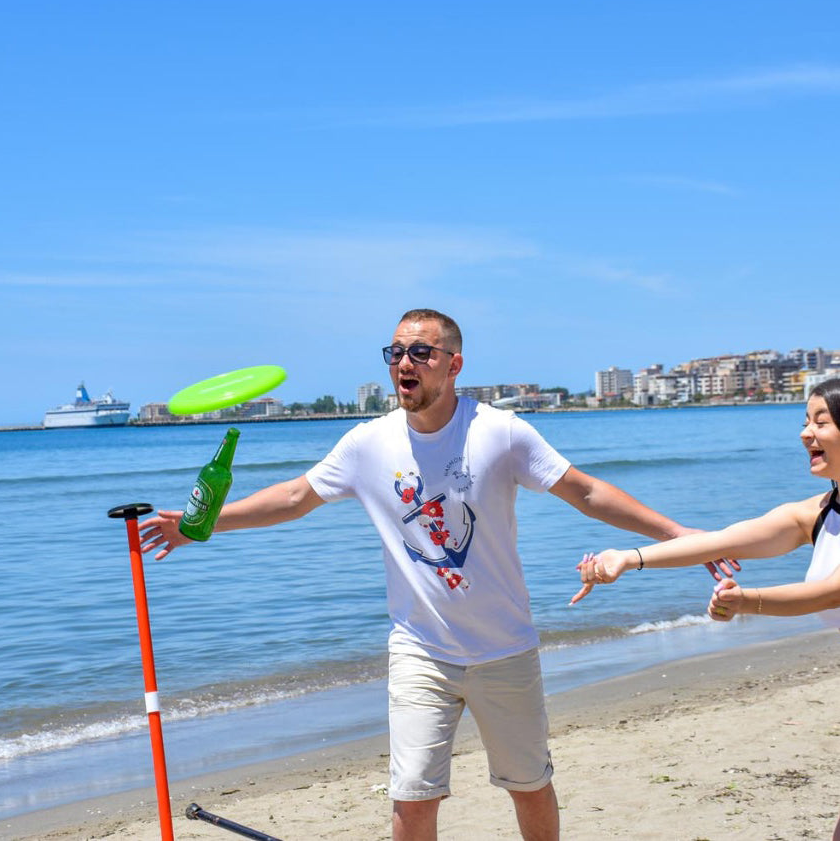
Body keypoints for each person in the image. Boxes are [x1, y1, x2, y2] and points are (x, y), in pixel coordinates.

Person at [140, 308, 711, 841]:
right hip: (420, 651)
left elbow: (584, 490)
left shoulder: (500, 431)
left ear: (454, 363)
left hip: (504, 647)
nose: (403, 363)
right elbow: (294, 497)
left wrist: (676, 534)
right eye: (394, 352)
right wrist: (204, 526)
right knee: (411, 799)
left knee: (529, 785)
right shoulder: (368, 442)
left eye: (420, 352)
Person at [571, 377, 840, 841]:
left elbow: (832, 592)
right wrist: (627, 560)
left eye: (822, 421)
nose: (805, 433)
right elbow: (721, 541)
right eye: (804, 421)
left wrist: (747, 602)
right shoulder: (817, 512)